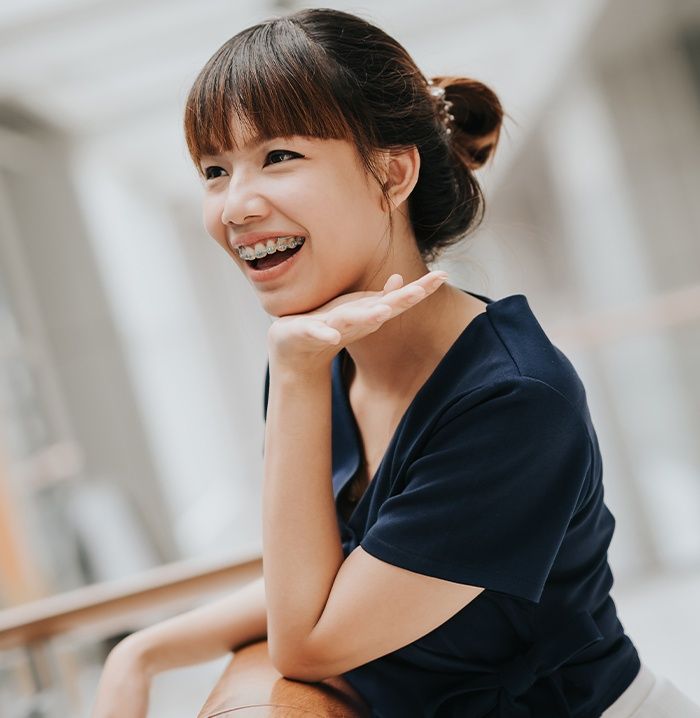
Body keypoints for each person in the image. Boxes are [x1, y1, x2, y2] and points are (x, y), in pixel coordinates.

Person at [91, 7, 700, 718]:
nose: (235, 205)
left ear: (393, 170)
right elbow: (337, 573)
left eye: (278, 157)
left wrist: (292, 377)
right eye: (214, 170)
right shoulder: (321, 359)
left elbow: (309, 641)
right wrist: (141, 651)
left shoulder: (514, 401)